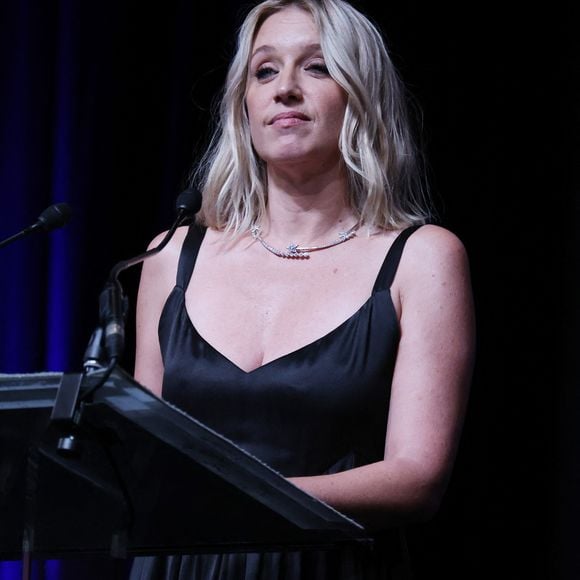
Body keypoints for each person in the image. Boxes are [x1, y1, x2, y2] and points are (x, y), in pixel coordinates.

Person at [131, 0, 476, 577]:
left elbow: (416, 478)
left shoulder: (422, 258)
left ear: (361, 97)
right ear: (243, 105)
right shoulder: (170, 256)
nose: (285, 89)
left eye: (316, 67)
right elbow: (142, 452)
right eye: (264, 71)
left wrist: (247, 495)